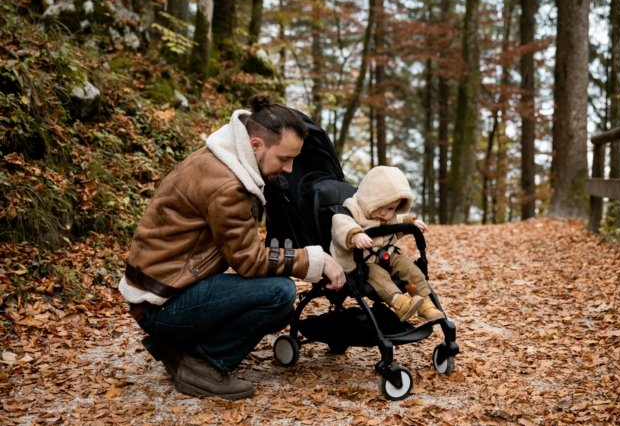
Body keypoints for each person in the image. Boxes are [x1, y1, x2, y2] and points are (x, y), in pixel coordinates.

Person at [119, 95, 346, 401]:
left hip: (160, 293)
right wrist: (316, 260)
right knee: (279, 294)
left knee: (273, 295)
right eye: (284, 158)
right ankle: (204, 364)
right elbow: (249, 261)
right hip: (161, 306)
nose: (290, 169)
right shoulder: (228, 186)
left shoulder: (219, 158)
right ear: (256, 145)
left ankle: (178, 348)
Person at [329, 165, 445, 322]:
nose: (385, 213)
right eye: (380, 207)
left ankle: (425, 303)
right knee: (379, 276)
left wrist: (412, 222)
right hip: (362, 264)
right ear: (369, 199)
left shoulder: (388, 216)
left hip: (386, 255)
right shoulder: (352, 209)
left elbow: (398, 220)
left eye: (391, 208)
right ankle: (400, 304)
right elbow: (341, 224)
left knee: (410, 268)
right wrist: (355, 235)